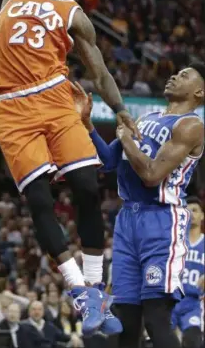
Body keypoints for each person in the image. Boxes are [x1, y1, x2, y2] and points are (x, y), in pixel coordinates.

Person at [0, 0, 137, 337]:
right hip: (11, 107)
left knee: (88, 190)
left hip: (56, 99)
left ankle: (98, 293)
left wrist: (120, 111)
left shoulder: (73, 14)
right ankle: (77, 288)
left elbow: (97, 70)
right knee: (38, 204)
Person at [72, 62, 205, 348]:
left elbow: (151, 175)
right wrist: (87, 123)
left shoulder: (191, 125)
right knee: (126, 320)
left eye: (184, 75)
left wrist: (125, 137)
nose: (173, 76)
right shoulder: (147, 117)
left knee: (156, 319)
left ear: (199, 92)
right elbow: (109, 161)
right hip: (127, 220)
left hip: (162, 221)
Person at [172, 197, 204, 348]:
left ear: (202, 215)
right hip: (170, 301)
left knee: (193, 340)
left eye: (195, 210)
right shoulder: (174, 243)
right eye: (188, 211)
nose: (191, 213)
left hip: (193, 304)